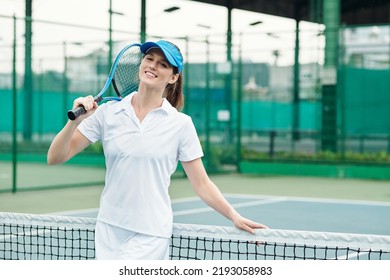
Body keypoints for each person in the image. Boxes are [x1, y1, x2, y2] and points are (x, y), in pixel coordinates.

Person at [47, 39, 268, 260]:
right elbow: (55, 157)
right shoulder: (107, 114)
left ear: (173, 77)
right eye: (149, 59)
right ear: (141, 64)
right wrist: (74, 122)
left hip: (151, 233)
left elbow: (201, 183)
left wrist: (233, 215)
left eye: (163, 64)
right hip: (109, 227)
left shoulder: (180, 124)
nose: (153, 65)